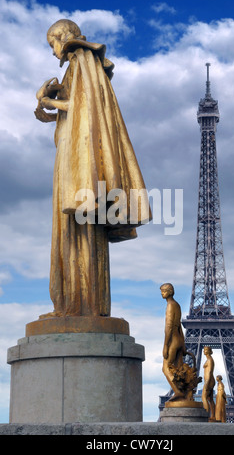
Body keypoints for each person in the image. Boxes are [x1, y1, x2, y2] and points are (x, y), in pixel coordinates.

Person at [35, 19, 150, 318]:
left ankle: (79, 305)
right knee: (75, 228)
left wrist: (50, 100)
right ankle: (71, 303)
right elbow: (78, 110)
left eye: (52, 44)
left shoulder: (84, 60)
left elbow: (84, 107)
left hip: (81, 161)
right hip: (75, 156)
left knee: (80, 228)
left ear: (64, 37)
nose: (53, 52)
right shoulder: (78, 67)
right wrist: (50, 106)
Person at [161, 283, 186, 394]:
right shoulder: (177, 305)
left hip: (173, 341)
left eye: (164, 291)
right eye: (161, 291)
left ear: (170, 291)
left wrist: (166, 345)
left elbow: (169, 326)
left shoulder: (170, 305)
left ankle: (178, 392)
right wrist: (183, 343)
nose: (162, 293)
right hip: (179, 339)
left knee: (166, 368)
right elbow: (179, 325)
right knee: (179, 370)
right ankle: (185, 393)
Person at [202, 346, 216, 419]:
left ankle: (206, 415)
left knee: (204, 397)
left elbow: (210, 371)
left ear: (210, 351)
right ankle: (213, 416)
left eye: (206, 349)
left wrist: (207, 383)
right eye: (204, 349)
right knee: (210, 399)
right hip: (209, 380)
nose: (204, 351)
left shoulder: (210, 360)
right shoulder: (208, 359)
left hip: (209, 380)